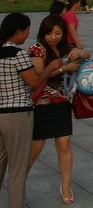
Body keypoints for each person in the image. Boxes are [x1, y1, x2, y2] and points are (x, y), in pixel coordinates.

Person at [1, 13, 64, 207]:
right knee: (18, 170)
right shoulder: (18, 54)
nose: (28, 34)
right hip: (17, 114)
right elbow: (35, 82)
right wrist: (52, 66)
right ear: (18, 32)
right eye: (27, 30)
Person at [27, 15, 87, 204]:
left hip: (61, 104)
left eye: (57, 33)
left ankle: (66, 185)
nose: (53, 37)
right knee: (35, 148)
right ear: (42, 33)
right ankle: (18, 180)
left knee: (64, 145)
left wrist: (79, 52)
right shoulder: (37, 49)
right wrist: (64, 68)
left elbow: (87, 55)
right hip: (41, 105)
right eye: (49, 33)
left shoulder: (66, 49)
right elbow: (38, 76)